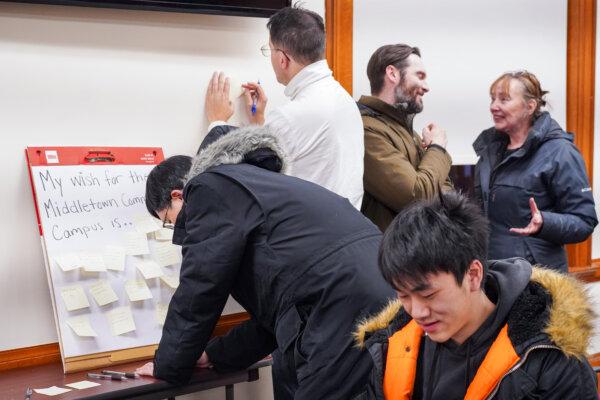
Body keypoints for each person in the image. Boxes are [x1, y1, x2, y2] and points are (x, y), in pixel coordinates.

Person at [135, 125, 395, 399]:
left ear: (178, 196)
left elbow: (200, 288)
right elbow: (276, 317)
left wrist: (168, 366)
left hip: (338, 299)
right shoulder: (262, 186)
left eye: (167, 220)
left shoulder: (206, 188)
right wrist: (213, 354)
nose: (176, 229)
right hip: (384, 284)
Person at [355, 191, 597, 399]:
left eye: (428, 294)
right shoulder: (392, 340)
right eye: (403, 296)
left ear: (472, 275)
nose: (417, 312)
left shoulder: (550, 358)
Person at [205, 6, 364, 209]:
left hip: (308, 235)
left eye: (269, 50)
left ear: (283, 59)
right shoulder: (344, 99)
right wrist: (259, 123)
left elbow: (244, 183)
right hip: (348, 225)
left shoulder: (289, 117)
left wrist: (217, 123)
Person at [473, 70, 597, 271]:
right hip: (492, 273)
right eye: (492, 99)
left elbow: (584, 221)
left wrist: (545, 222)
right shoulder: (490, 151)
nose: (494, 106)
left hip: (535, 278)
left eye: (504, 100)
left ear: (529, 107)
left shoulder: (560, 152)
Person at [357, 44, 453, 231]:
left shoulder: (409, 133)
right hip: (389, 256)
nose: (426, 87)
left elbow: (446, 195)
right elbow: (417, 197)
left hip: (418, 252)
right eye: (420, 76)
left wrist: (434, 153)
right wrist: (437, 148)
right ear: (392, 74)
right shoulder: (367, 129)